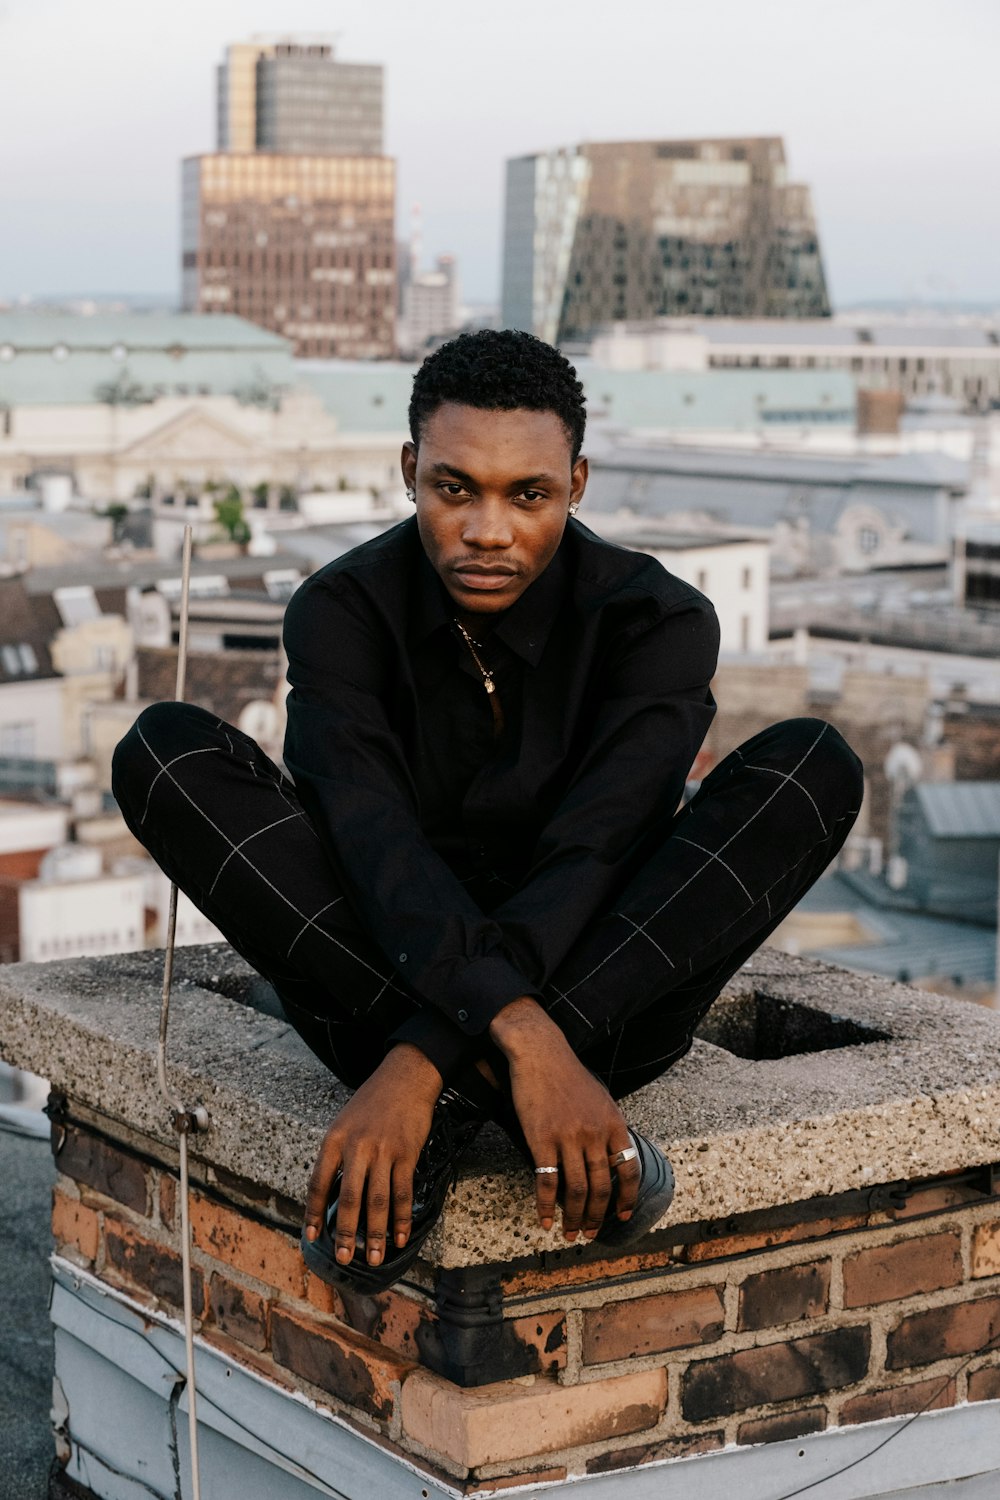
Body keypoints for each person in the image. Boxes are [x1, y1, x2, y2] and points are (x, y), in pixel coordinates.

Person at [112, 330, 863, 1292]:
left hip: (590, 1006)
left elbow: (599, 850)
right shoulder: (341, 608)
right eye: (454, 488)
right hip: (384, 976)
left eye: (529, 495)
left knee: (813, 766)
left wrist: (419, 1063)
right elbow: (370, 843)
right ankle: (510, 1103)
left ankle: (434, 1119)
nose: (488, 530)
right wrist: (524, 1046)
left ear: (578, 483)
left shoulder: (657, 620)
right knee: (163, 750)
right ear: (408, 471)